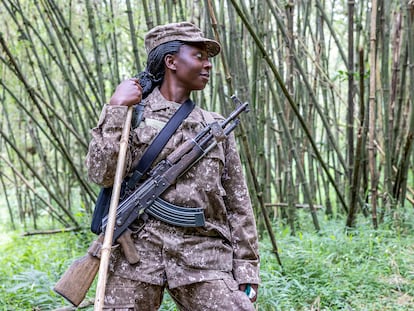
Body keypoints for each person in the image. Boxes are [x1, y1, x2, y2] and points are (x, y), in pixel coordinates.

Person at [85, 21, 260, 311]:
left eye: (209, 59)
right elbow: (101, 174)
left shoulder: (214, 127)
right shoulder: (131, 115)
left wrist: (246, 269)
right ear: (171, 61)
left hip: (204, 256)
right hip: (136, 254)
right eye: (199, 56)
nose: (209, 65)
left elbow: (238, 205)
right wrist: (115, 109)